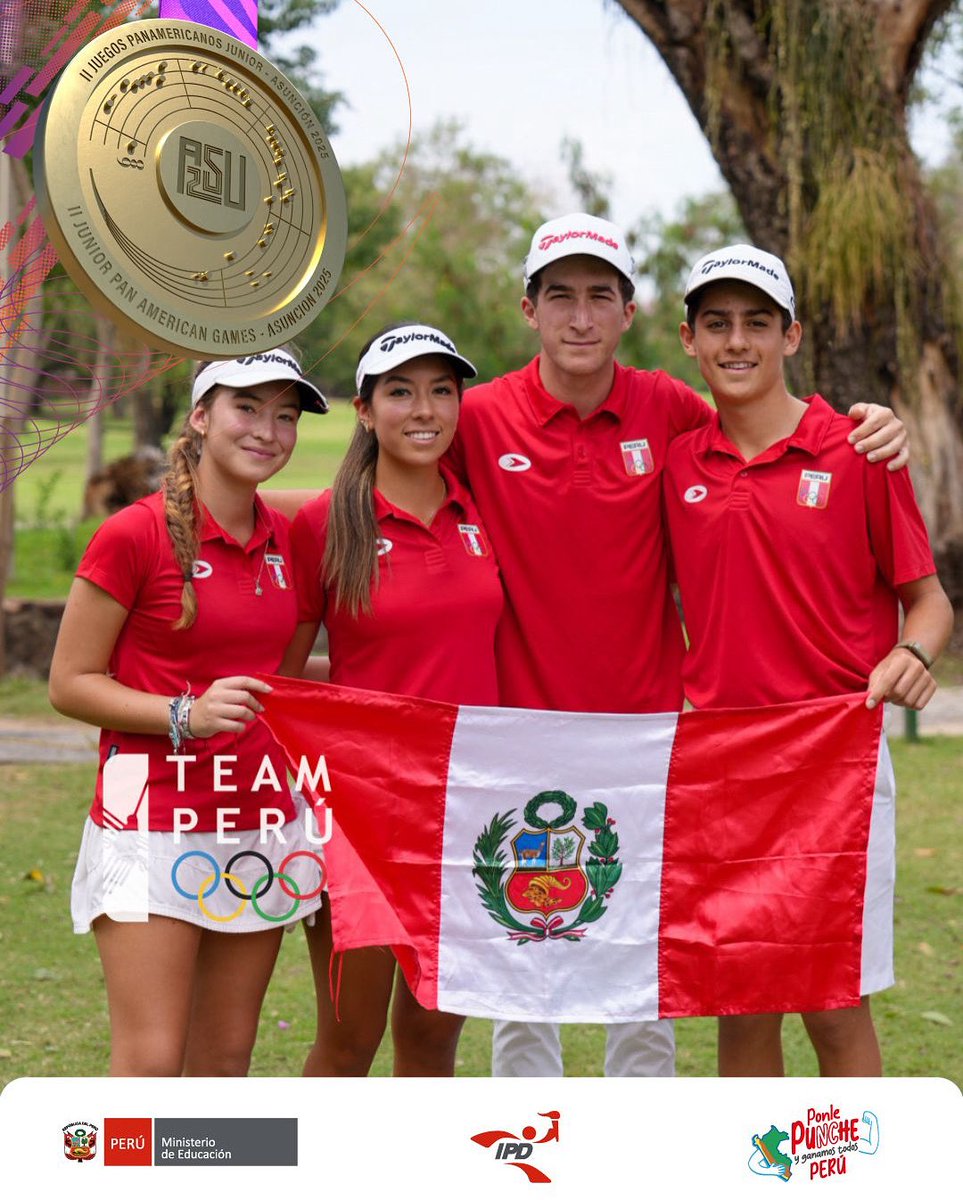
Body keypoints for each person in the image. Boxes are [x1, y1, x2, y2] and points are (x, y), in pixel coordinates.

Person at [443, 213, 910, 1079]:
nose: (578, 318)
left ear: (629, 313)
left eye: (597, 298)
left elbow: (759, 423)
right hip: (516, 735)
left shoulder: (668, 409)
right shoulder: (475, 418)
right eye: (559, 298)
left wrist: (873, 424)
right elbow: (382, 486)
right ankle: (521, 1142)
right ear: (527, 309)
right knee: (524, 958)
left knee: (639, 953)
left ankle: (640, 1146)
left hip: (653, 738)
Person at [662, 244, 953, 1075]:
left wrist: (908, 652)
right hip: (721, 766)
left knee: (832, 1004)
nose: (736, 341)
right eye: (715, 324)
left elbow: (928, 600)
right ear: (688, 339)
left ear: (791, 335)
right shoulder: (680, 459)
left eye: (757, 322)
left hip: (837, 764)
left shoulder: (858, 447)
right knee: (741, 1004)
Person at [48, 349, 329, 1076]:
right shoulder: (133, 535)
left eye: (286, 415)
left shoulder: (289, 542)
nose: (268, 430)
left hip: (256, 822)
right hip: (146, 823)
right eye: (248, 408)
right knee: (150, 1059)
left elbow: (284, 680)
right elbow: (71, 682)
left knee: (224, 1058)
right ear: (201, 417)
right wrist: (185, 715)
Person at [280, 323, 502, 1077]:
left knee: (435, 1036)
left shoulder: (485, 513)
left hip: (471, 811)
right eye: (401, 391)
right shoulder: (324, 524)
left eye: (442, 390)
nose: (424, 409)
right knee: (349, 1040)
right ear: (365, 410)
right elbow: (283, 680)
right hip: (360, 818)